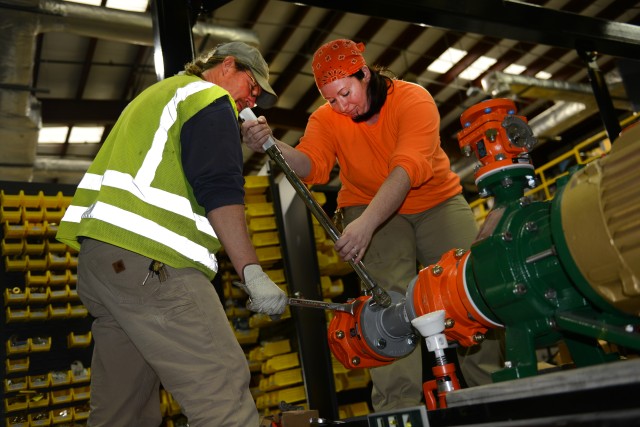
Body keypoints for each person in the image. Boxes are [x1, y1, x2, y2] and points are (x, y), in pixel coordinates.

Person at [242, 39, 503, 412]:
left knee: (467, 288)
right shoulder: (326, 118)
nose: (341, 106)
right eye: (331, 99)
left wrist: (365, 226)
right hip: (366, 203)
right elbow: (312, 165)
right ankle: (397, 407)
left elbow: (407, 168)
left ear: (365, 74)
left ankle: (492, 388)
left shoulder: (413, 100)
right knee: (387, 305)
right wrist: (272, 144)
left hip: (435, 200)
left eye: (345, 93)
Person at [56, 41, 288, 426]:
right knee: (222, 393)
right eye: (252, 85)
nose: (253, 98)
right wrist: (252, 272)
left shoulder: (159, 96)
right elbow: (219, 188)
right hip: (153, 261)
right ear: (227, 65)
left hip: (104, 265)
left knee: (122, 412)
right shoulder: (208, 97)